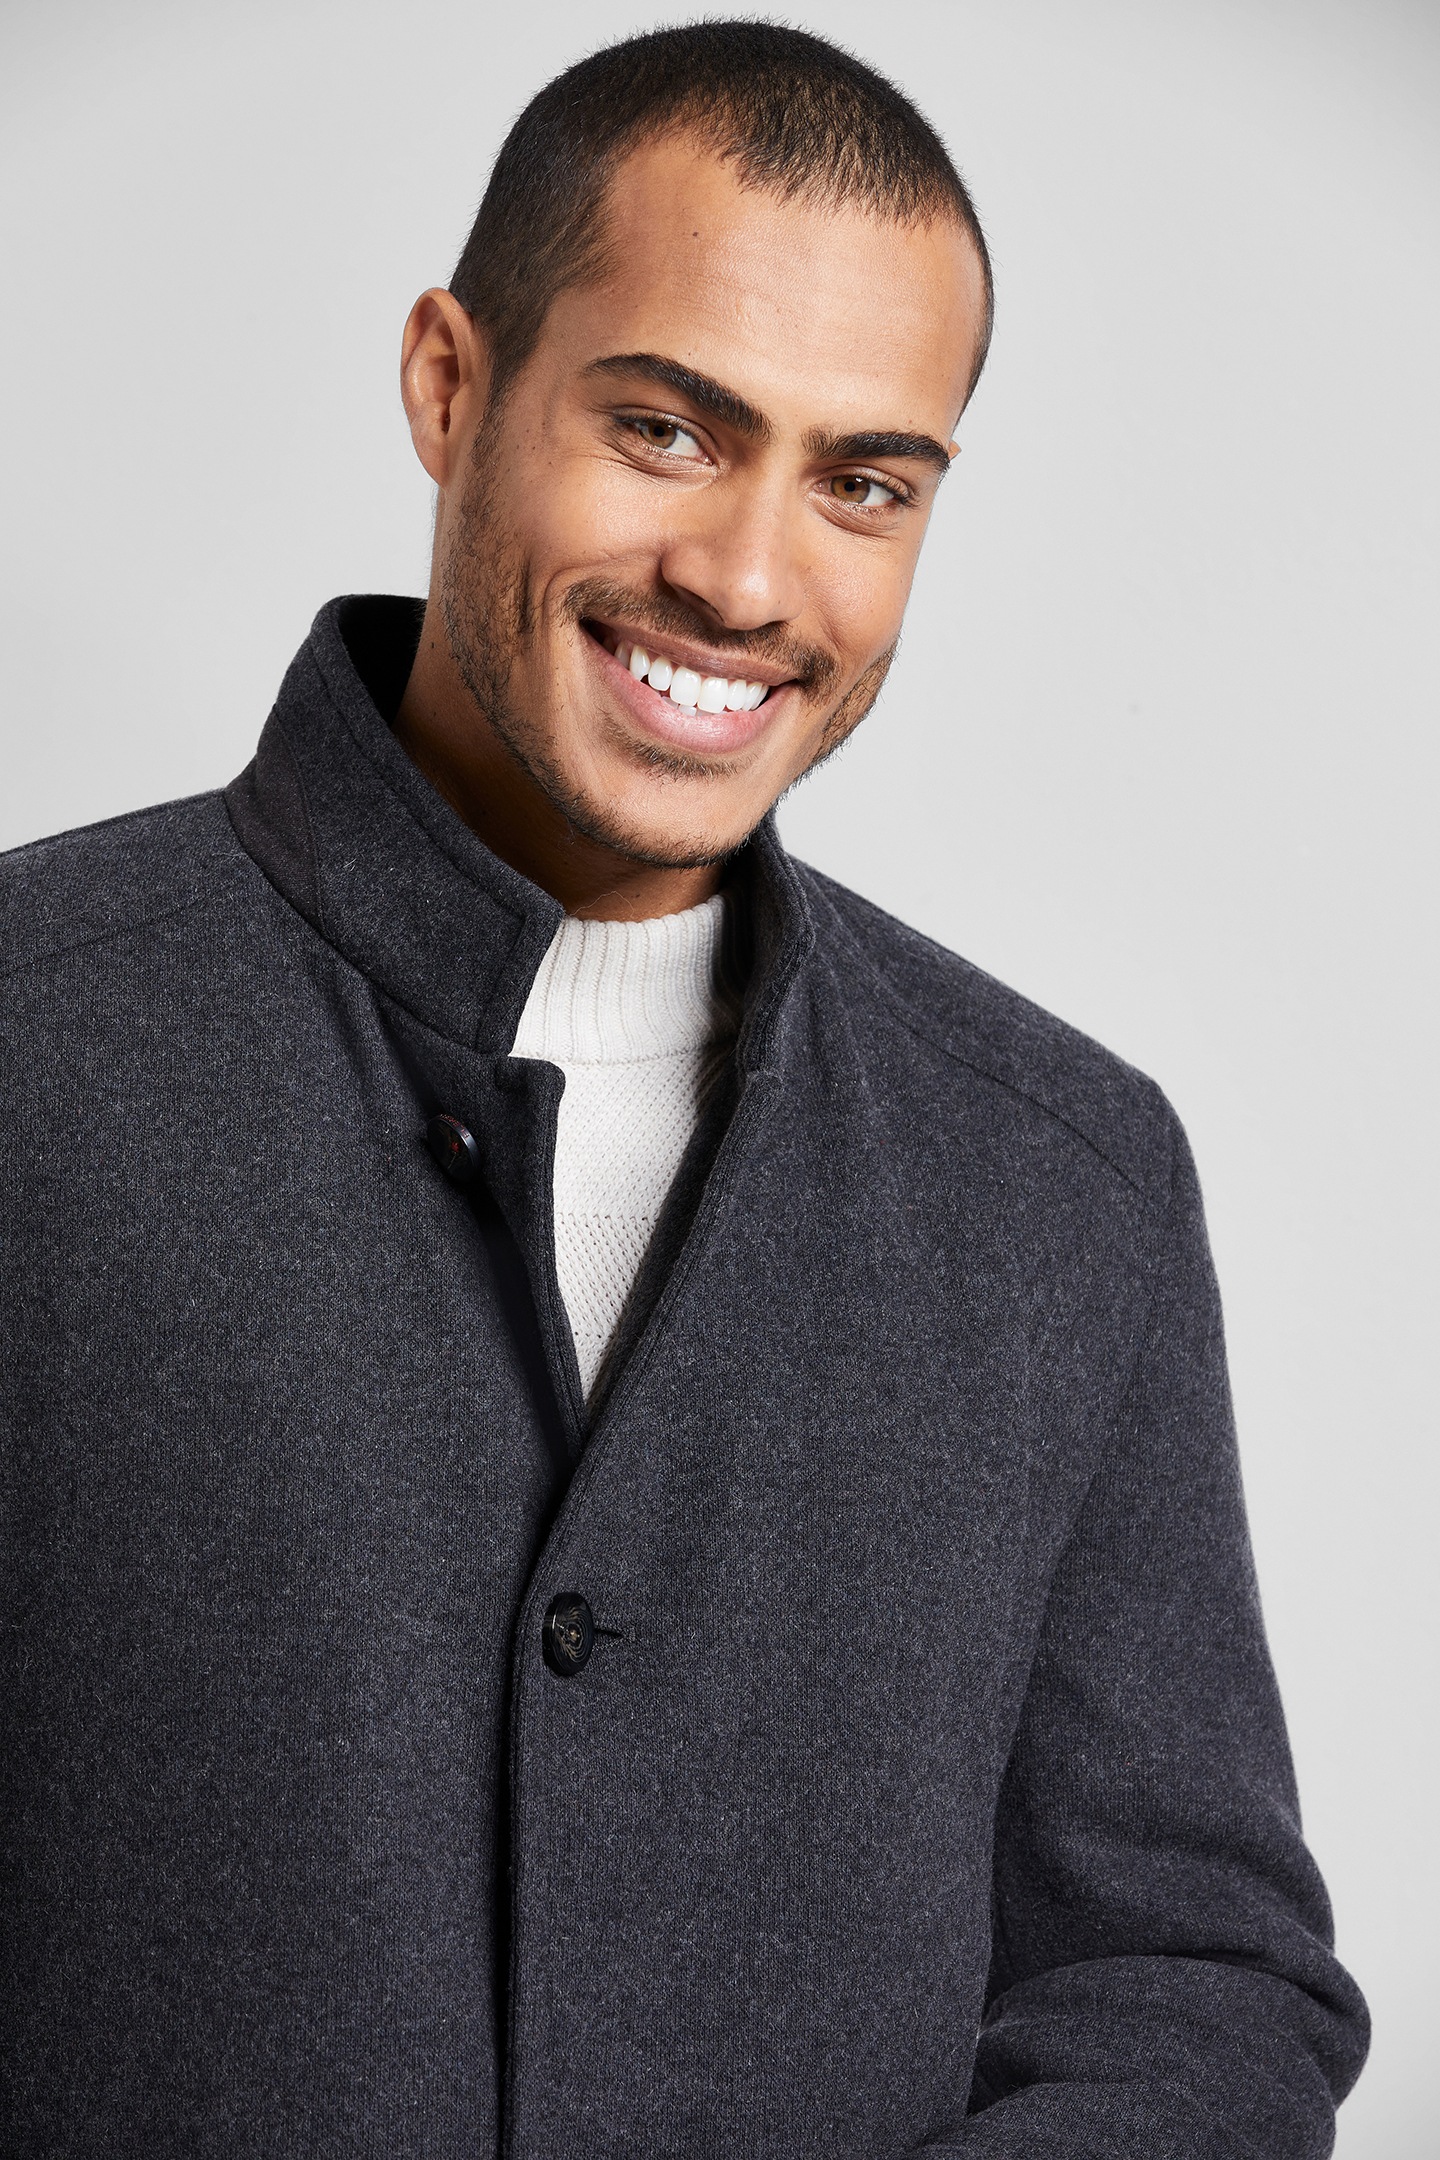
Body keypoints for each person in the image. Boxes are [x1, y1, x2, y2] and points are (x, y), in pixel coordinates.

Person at [0, 20, 1367, 2157]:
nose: (744, 578)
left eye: (864, 483)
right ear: (449, 386)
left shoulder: (1066, 1183)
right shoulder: (32, 1041)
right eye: (664, 427)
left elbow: (1186, 1976)